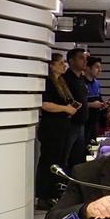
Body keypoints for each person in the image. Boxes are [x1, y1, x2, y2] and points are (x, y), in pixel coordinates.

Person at [35, 52, 78, 208]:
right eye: (60, 63)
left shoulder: (61, 82)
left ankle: (53, 193)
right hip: (51, 128)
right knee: (49, 161)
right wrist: (65, 109)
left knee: (59, 160)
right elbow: (45, 104)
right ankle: (43, 196)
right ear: (51, 66)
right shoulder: (48, 83)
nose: (64, 66)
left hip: (62, 127)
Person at [61, 47, 91, 168]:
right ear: (71, 60)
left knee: (78, 157)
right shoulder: (66, 78)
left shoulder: (81, 79)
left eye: (85, 58)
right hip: (70, 124)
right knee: (65, 156)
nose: (85, 61)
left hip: (81, 123)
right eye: (81, 58)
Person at [82, 55, 105, 145]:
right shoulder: (81, 83)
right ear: (88, 68)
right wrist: (91, 105)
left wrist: (103, 104)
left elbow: (99, 99)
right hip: (83, 123)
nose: (100, 70)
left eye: (100, 67)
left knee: (92, 147)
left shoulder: (96, 83)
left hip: (94, 122)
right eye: (97, 67)